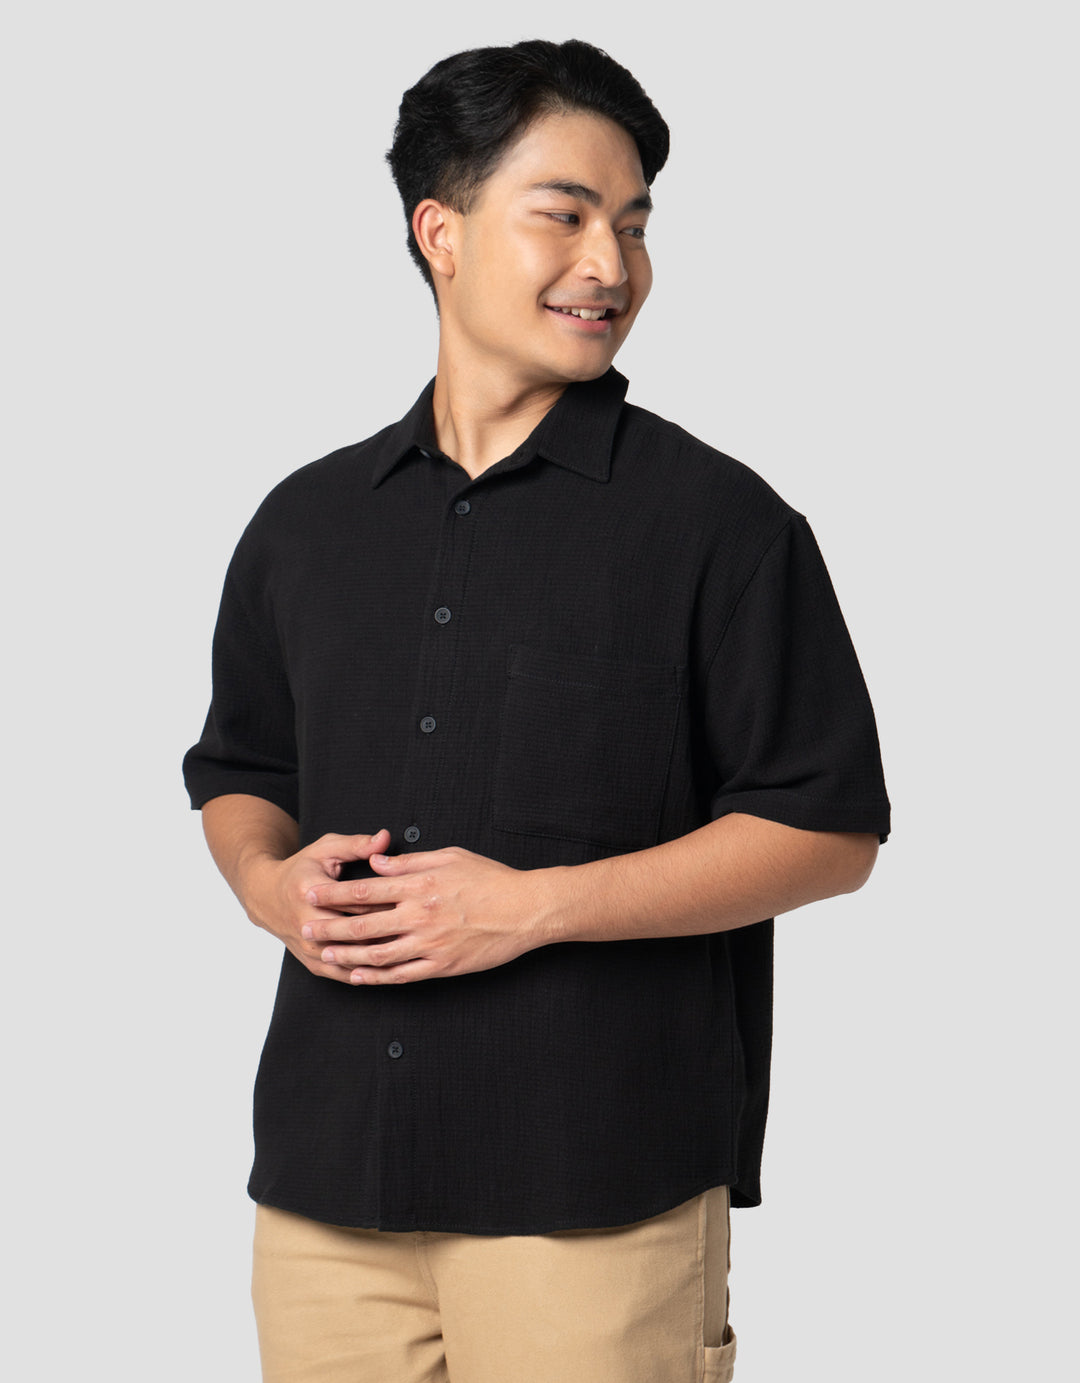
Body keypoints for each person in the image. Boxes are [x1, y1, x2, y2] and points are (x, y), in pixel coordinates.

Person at [184, 37, 890, 1383]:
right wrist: (268, 884)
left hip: (596, 1188)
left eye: (634, 225)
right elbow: (241, 766)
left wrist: (534, 906)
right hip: (327, 1186)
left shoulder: (721, 526)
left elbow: (827, 829)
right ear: (439, 232)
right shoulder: (306, 523)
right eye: (564, 215)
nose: (610, 265)